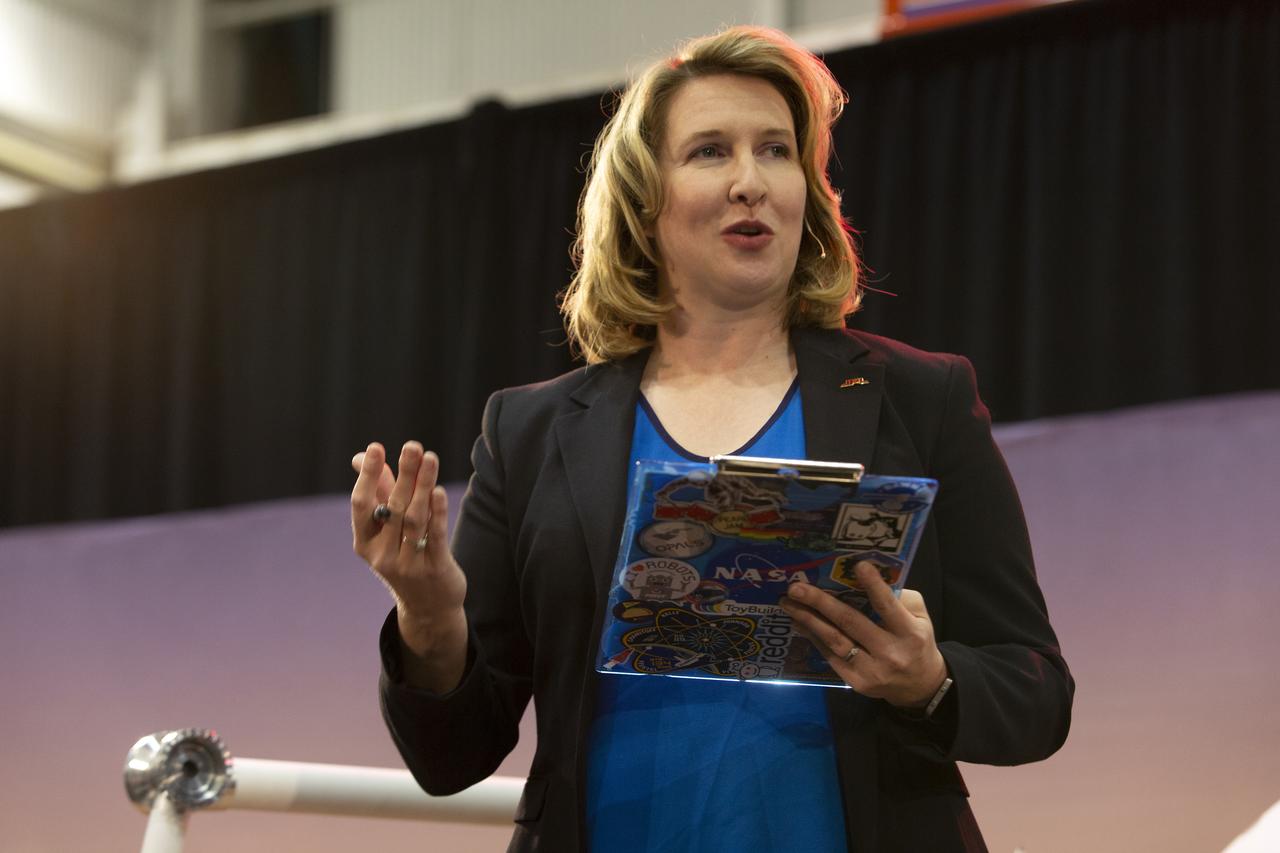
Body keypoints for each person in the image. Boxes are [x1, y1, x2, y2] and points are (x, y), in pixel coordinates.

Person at [350, 25, 1072, 853]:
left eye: (776, 151)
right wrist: (429, 614)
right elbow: (452, 756)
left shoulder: (922, 398)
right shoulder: (530, 432)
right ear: (644, 201)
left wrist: (929, 679)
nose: (749, 182)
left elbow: (1036, 691)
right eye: (709, 152)